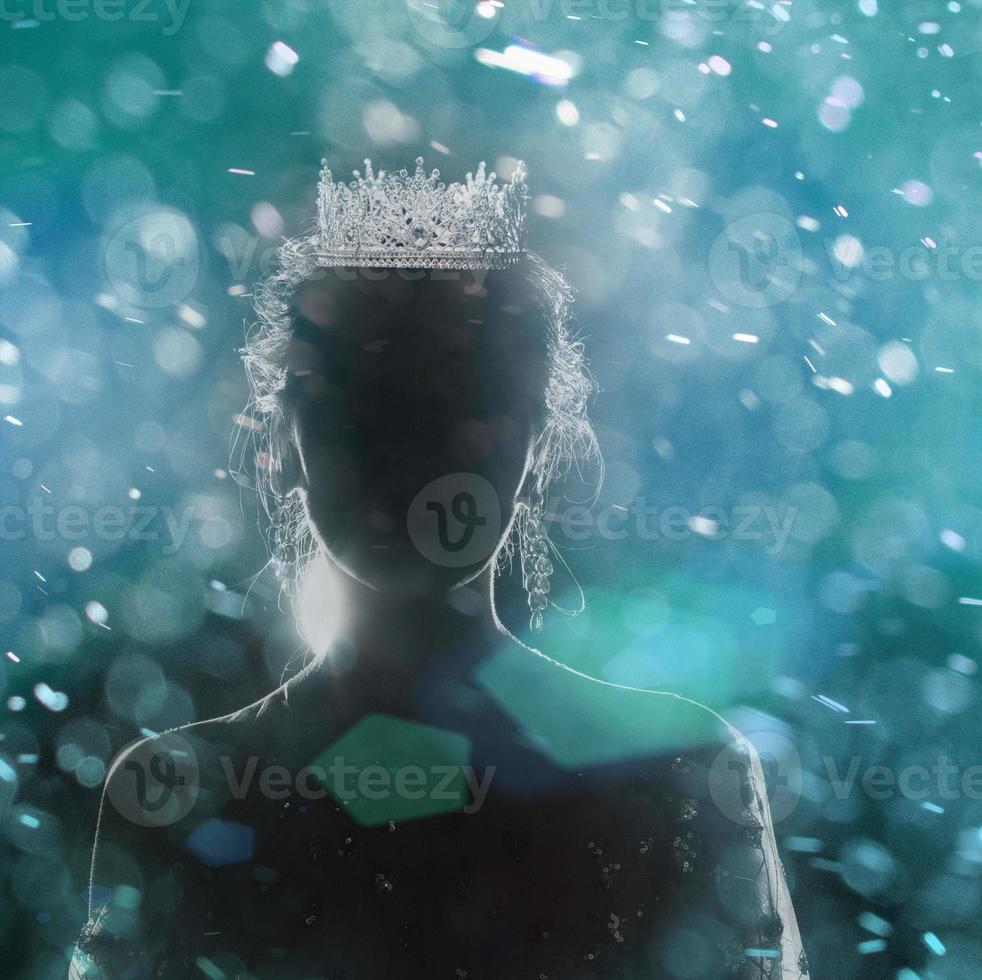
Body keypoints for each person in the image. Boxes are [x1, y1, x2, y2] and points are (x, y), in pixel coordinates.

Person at [74, 161, 804, 979]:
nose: (407, 461)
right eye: (366, 404)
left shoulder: (182, 795)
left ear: (536, 448)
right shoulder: (676, 776)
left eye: (455, 408)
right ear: (288, 442)